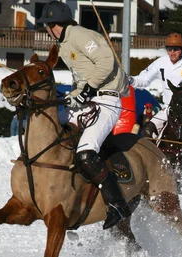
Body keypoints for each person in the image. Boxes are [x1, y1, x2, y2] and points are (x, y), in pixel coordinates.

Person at [39, 0, 131, 229]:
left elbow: (106, 62)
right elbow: (83, 80)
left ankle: (118, 204)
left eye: (47, 25)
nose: (46, 30)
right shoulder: (63, 45)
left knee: (86, 153)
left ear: (55, 24)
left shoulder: (79, 35)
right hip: (88, 100)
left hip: (107, 100)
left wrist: (87, 90)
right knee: (55, 134)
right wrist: (73, 96)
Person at [129, 32, 182, 137]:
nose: (172, 52)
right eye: (169, 49)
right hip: (168, 109)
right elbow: (144, 79)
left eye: (176, 49)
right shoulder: (160, 62)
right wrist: (131, 80)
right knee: (148, 131)